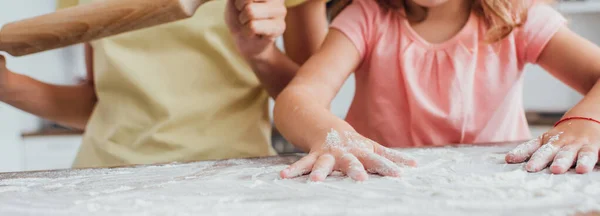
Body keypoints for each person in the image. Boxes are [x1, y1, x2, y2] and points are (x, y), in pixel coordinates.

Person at [274, 0, 600, 182]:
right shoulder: (367, 17)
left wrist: (586, 119)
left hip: (496, 192)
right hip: (384, 193)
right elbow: (297, 99)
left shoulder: (518, 17)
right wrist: (333, 135)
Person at [0, 0, 328, 168]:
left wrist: (261, 54)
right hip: (102, 179)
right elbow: (97, 104)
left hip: (227, 179)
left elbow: (313, 106)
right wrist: (6, 84)